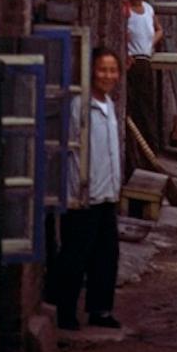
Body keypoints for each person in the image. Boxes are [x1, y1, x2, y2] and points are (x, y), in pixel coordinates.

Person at [56, 47, 122, 331]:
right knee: (75, 255)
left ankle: (100, 310)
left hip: (107, 193)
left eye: (112, 70)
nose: (108, 75)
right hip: (82, 194)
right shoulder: (78, 106)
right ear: (90, 71)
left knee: (106, 255)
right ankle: (65, 312)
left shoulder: (108, 104)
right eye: (102, 69)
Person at [126, 0, 163, 162]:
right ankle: (136, 158)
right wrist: (126, 52)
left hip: (145, 65)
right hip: (131, 67)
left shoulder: (148, 9)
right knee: (134, 113)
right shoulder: (126, 9)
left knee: (148, 112)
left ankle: (151, 157)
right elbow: (120, 33)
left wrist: (149, 44)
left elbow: (159, 30)